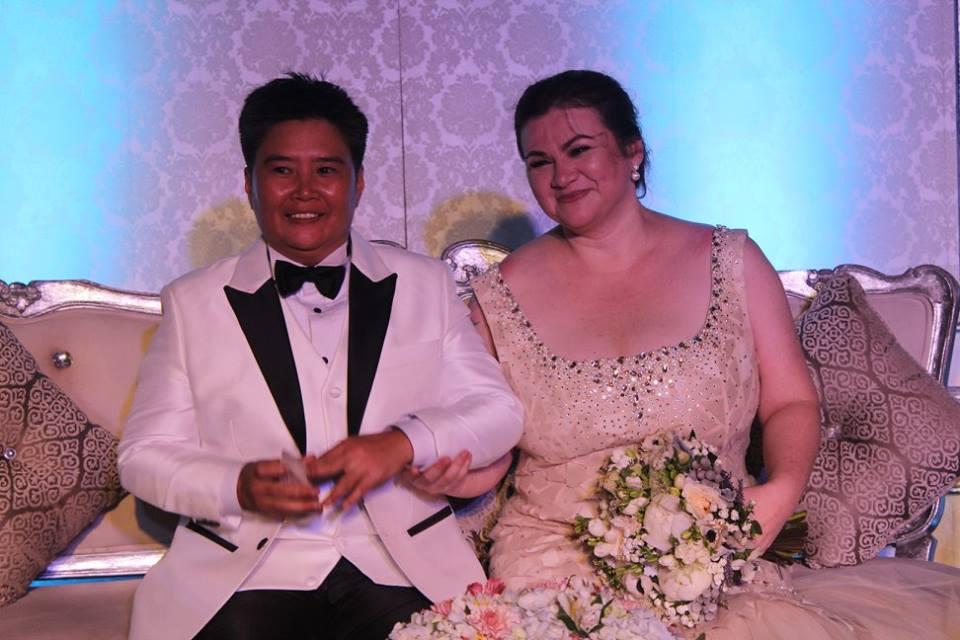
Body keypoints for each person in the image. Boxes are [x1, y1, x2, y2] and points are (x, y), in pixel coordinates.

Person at [404, 69, 960, 638]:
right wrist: (457, 475)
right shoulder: (499, 296)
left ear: (632, 151)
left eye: (579, 150)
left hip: (708, 564)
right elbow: (493, 444)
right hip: (553, 566)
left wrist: (781, 491)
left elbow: (791, 402)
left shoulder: (732, 261)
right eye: (539, 161)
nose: (561, 175)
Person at [117, 73, 523, 640]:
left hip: (400, 563)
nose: (304, 191)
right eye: (282, 170)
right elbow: (142, 456)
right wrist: (237, 485)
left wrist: (403, 442)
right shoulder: (192, 302)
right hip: (247, 574)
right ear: (249, 183)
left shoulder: (425, 285)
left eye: (326, 171)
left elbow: (500, 412)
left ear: (358, 183)